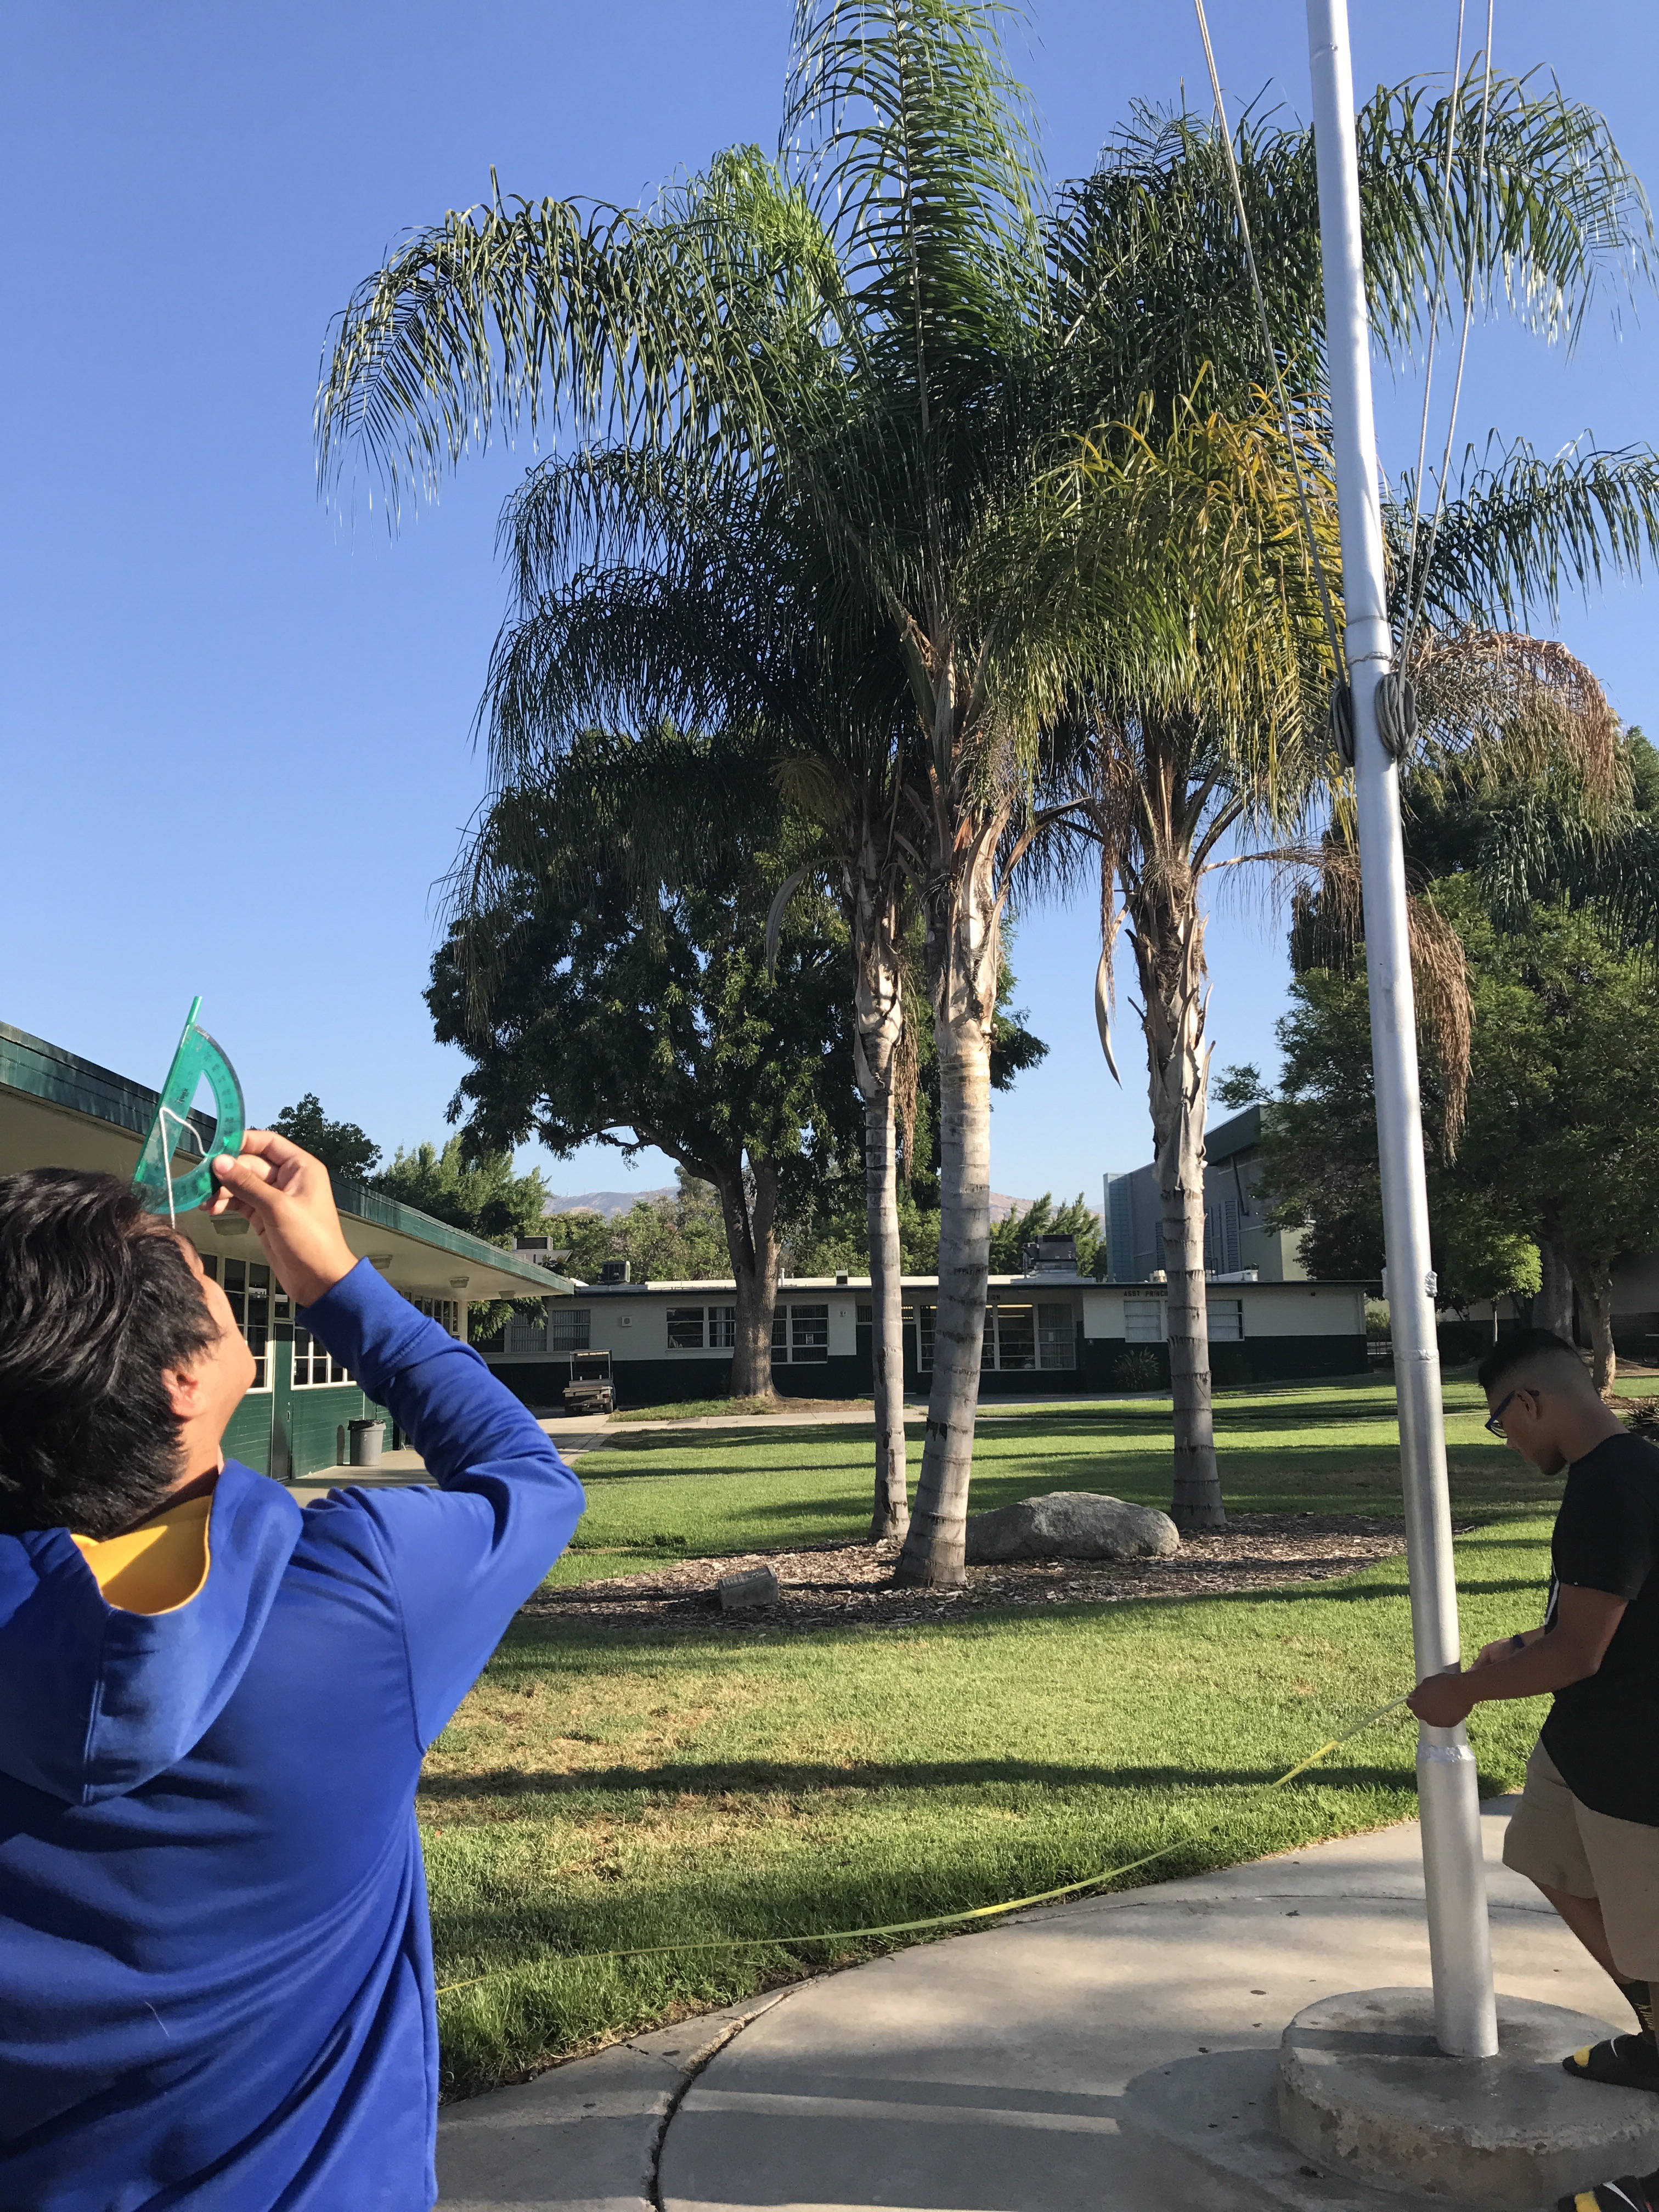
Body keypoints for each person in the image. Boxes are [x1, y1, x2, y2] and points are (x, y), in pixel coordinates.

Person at [0, 1131, 585, 2209]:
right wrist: (334, 1281)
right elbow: (527, 1476)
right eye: (204, 1278)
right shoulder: (359, 1592)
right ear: (184, 1379)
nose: (224, 1290)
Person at [1406, 1327, 1659, 2212]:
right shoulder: (1612, 1475)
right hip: (1581, 1747)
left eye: (1499, 1423)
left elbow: (1581, 1653)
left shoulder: (1614, 1486)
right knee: (1542, 1855)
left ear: (1531, 1403)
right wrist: (1522, 1645)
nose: (1507, 1441)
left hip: (1638, 1764)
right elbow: (1604, 1613)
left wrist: (1462, 1693)